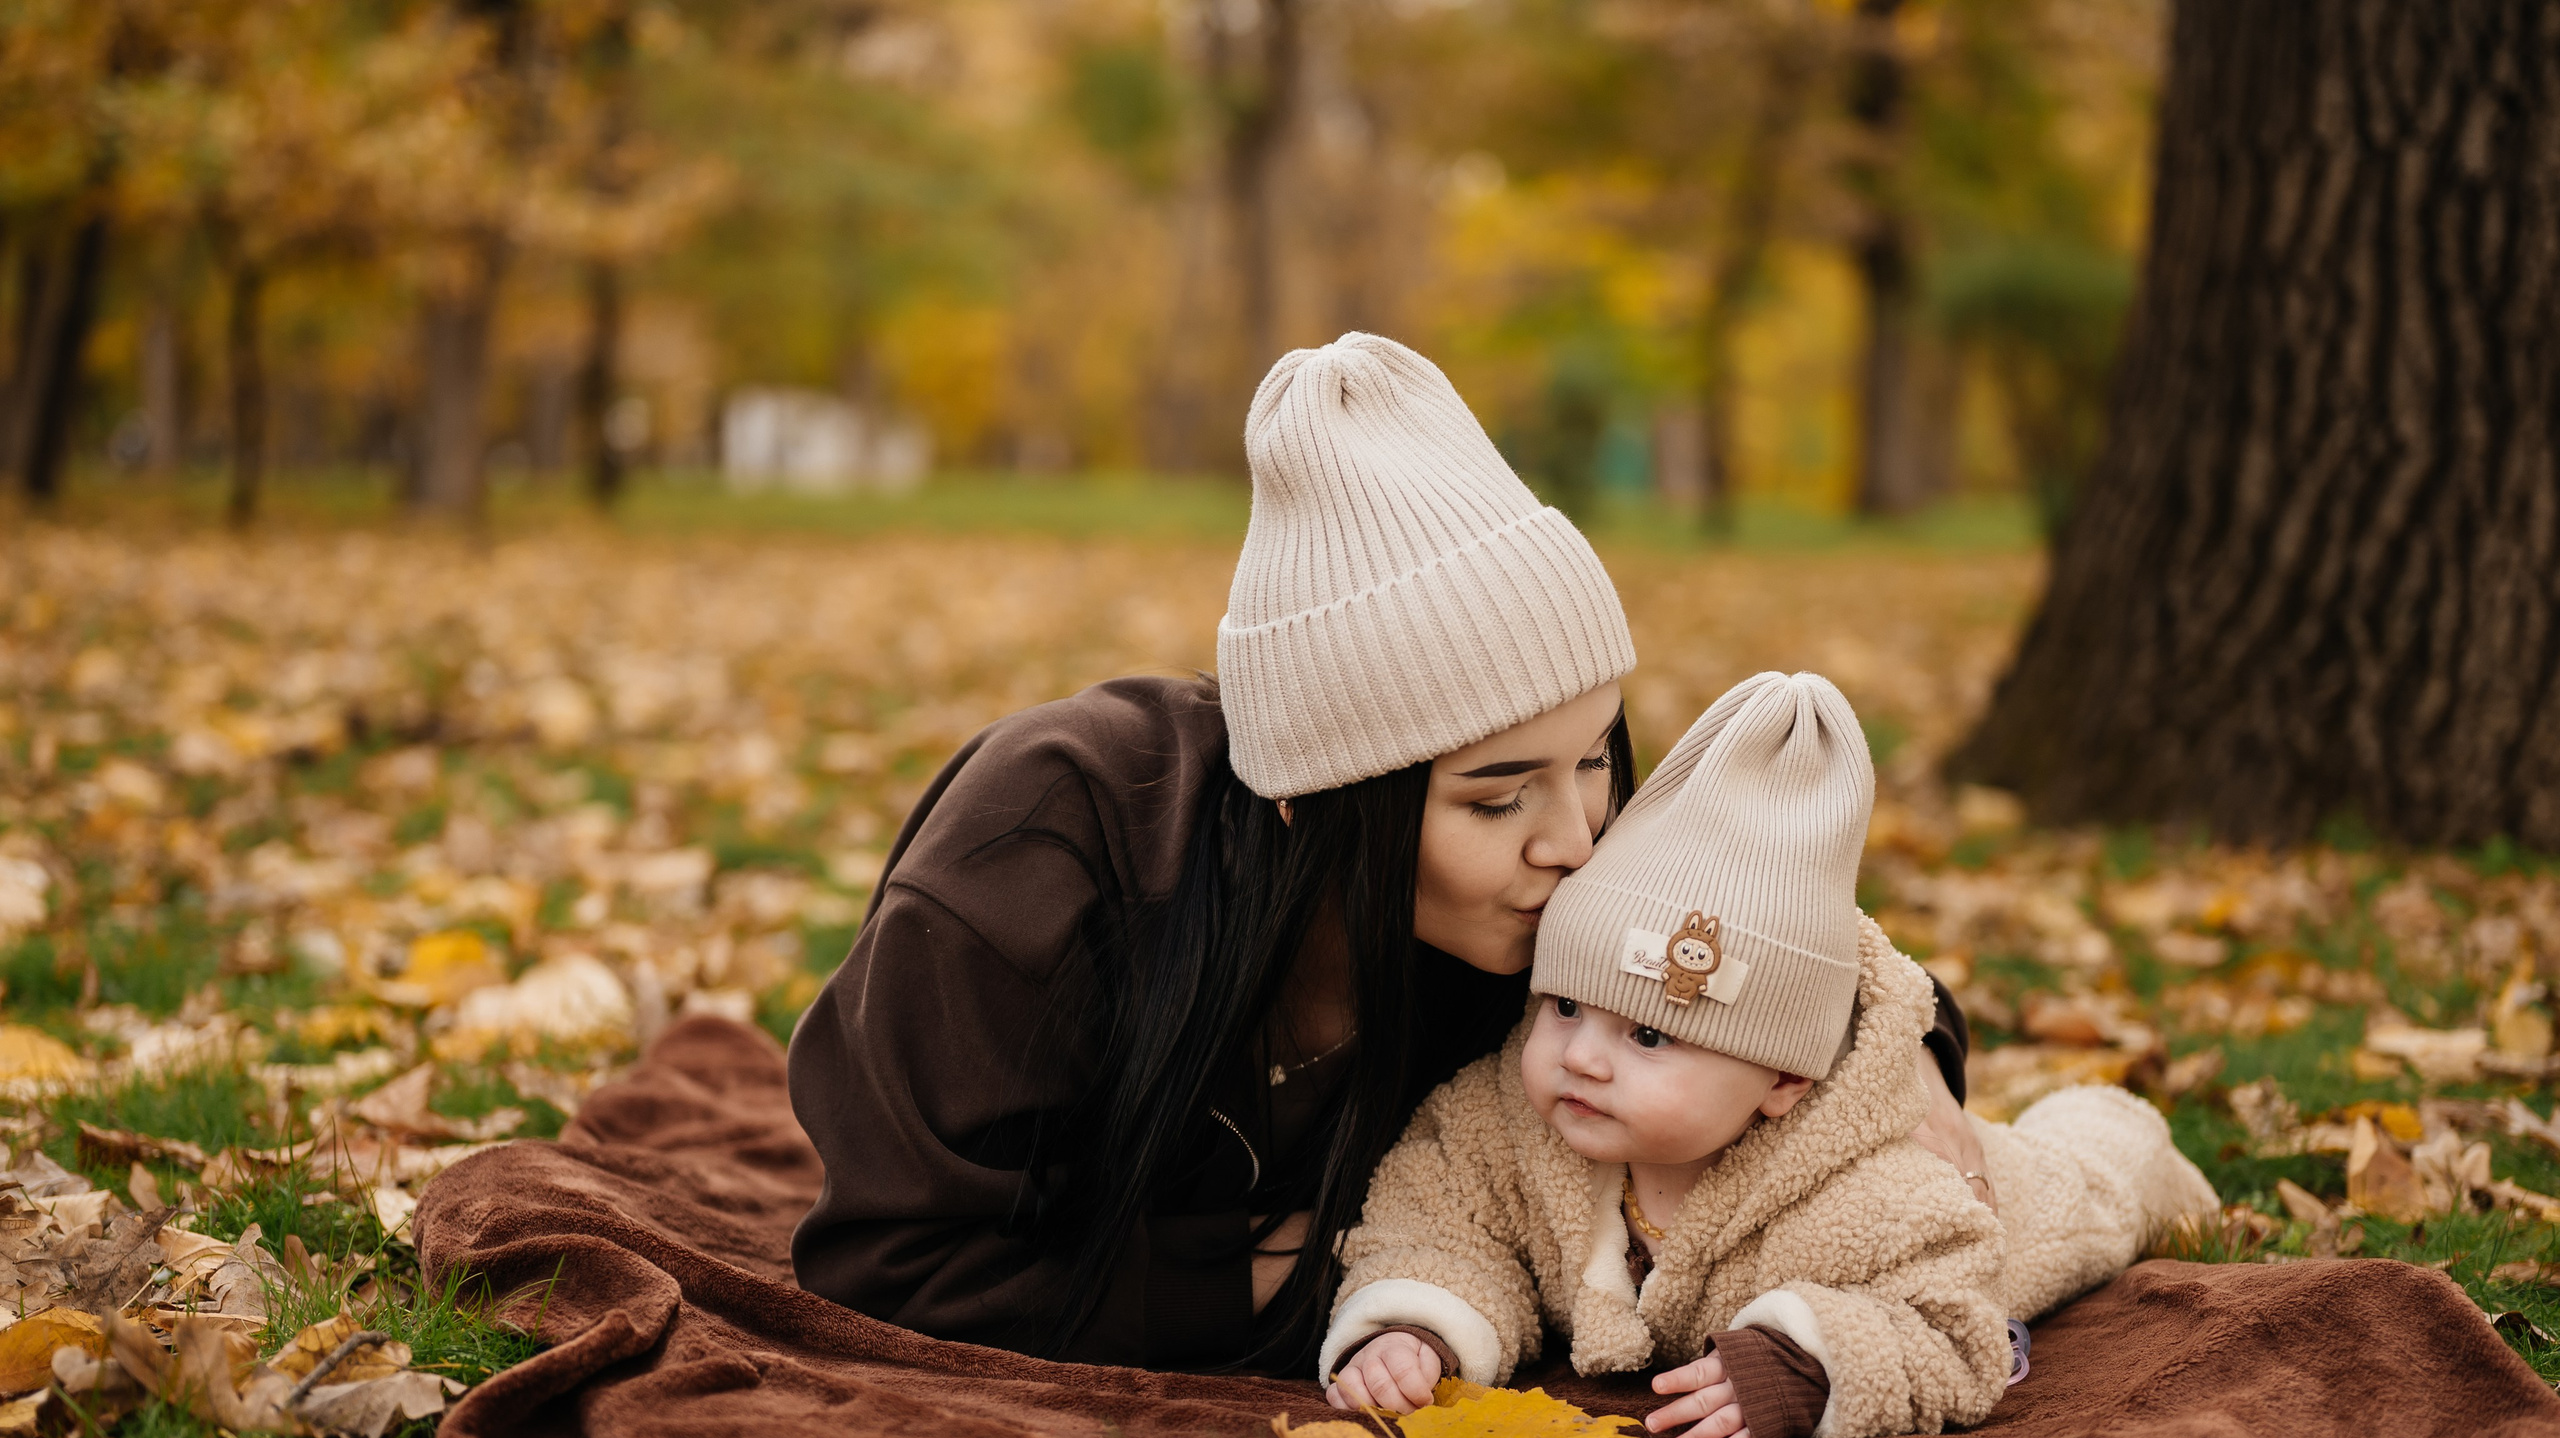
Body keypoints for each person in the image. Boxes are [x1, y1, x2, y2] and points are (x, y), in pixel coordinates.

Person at [788, 333, 1983, 1374]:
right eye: (1495, 797)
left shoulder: (1550, 867)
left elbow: (1749, 922)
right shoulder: (1046, 844)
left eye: (1593, 759)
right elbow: (891, 1262)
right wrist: (1314, 1269)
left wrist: (1900, 1043)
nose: (1576, 842)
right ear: (1318, 804)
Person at [1322, 673, 2219, 1438]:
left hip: (2014, 1200)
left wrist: (1813, 1357)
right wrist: (1416, 1321)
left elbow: (1953, 1326)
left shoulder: (1876, 1192)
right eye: (1563, 1006)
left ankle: (2112, 1128)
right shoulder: (1509, 1122)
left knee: (2096, 1183)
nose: (1581, 1058)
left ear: (1783, 1078)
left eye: (1647, 1035)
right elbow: (1437, 1212)